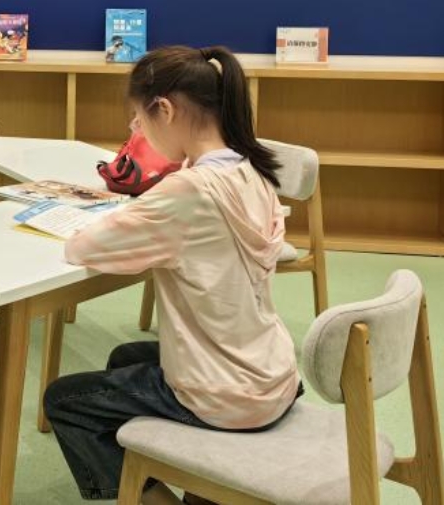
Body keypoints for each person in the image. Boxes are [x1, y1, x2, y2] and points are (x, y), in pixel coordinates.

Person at [44, 45, 300, 505]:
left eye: (138, 118)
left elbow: (84, 247)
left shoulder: (188, 191)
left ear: (164, 109)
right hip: (271, 373)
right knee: (125, 356)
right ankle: (195, 481)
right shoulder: (252, 171)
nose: (136, 129)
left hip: (224, 394)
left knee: (65, 402)